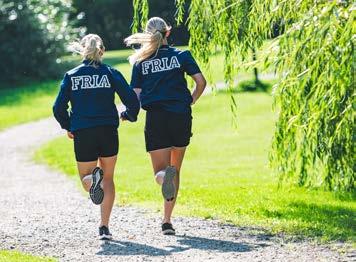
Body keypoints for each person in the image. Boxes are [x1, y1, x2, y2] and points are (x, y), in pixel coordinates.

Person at [53, 34, 140, 240]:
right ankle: (104, 227)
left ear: (83, 50)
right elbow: (132, 100)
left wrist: (68, 125)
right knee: (108, 179)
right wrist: (128, 115)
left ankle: (93, 181)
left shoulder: (72, 75)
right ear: (102, 51)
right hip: (108, 131)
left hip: (83, 132)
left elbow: (58, 107)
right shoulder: (111, 73)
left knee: (87, 179)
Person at [125, 17, 206, 235]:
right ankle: (167, 220)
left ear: (148, 35)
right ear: (167, 33)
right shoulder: (181, 56)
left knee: (161, 173)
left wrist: (127, 114)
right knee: (175, 169)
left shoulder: (141, 62)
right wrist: (190, 100)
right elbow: (201, 82)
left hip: (156, 118)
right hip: (181, 115)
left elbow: (136, 97)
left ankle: (164, 179)